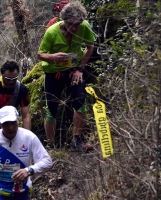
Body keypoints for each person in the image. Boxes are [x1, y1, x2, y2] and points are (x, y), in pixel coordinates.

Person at [37, 1, 95, 150]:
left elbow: (90, 47)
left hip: (73, 69)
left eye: (78, 24)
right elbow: (40, 54)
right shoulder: (52, 32)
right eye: (71, 24)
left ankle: (77, 140)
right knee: (52, 108)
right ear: (64, 20)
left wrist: (80, 69)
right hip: (53, 71)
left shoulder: (85, 27)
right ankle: (51, 145)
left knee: (80, 103)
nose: (75, 28)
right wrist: (53, 57)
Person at [0, 106, 52, 200]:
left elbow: (47, 161)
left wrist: (29, 170)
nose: (10, 127)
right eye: (6, 124)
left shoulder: (29, 137)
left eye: (13, 123)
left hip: (21, 193)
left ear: (18, 120)